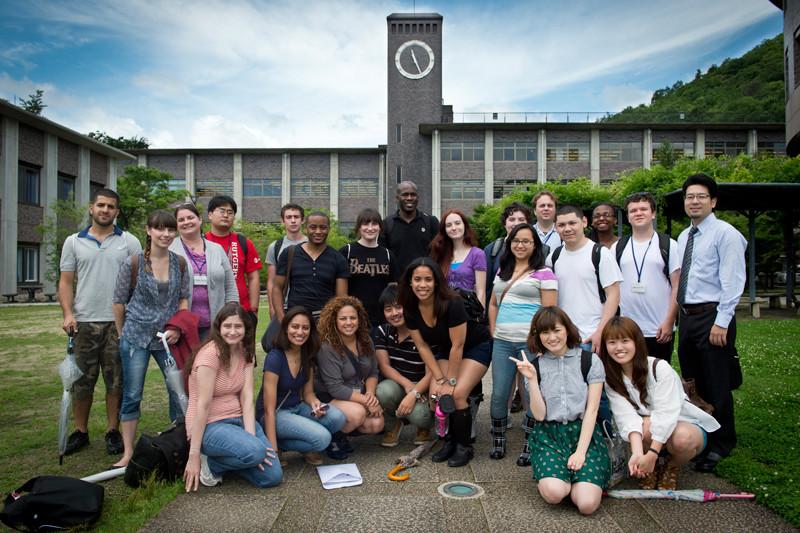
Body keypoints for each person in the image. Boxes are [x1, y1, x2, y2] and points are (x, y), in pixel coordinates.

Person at [58, 188, 142, 456]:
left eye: (111, 207)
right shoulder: (73, 242)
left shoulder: (129, 241)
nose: (105, 210)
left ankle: (112, 430)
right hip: (84, 322)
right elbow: (66, 281)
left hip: (119, 324)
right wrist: (68, 314)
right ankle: (80, 431)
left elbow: (139, 283)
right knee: (82, 381)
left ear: (117, 212)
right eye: (101, 205)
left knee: (116, 380)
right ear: (91, 208)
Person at [676, 173, 746, 473]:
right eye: (690, 196)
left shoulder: (725, 234)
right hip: (688, 318)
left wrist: (722, 321)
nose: (694, 201)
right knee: (693, 383)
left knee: (717, 381)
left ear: (713, 201)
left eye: (701, 196)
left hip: (713, 316)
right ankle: (703, 436)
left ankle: (722, 443)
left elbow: (733, 281)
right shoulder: (684, 236)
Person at [599, 316, 720, 490]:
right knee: (645, 426)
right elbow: (625, 416)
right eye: (612, 342)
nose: (619, 348)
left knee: (682, 440)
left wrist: (653, 453)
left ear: (636, 342)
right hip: (650, 426)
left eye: (625, 341)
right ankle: (650, 467)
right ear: (605, 346)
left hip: (684, 424)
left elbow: (667, 413)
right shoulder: (611, 378)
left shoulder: (659, 368)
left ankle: (671, 466)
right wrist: (638, 454)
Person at [111, 210, 191, 468]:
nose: (166, 234)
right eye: (160, 229)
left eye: (170, 230)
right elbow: (118, 300)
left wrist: (178, 326)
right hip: (135, 336)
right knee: (133, 393)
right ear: (148, 230)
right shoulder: (133, 263)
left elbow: (183, 298)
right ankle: (127, 452)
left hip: (168, 337)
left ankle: (180, 442)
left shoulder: (179, 263)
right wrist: (123, 333)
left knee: (177, 390)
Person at [512, 306, 610, 515]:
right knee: (555, 494)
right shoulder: (535, 366)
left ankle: (580, 480)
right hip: (549, 435)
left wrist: (581, 452)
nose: (552, 337)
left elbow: (592, 410)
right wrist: (531, 379)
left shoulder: (589, 360)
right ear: (537, 336)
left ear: (567, 329)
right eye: (545, 332)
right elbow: (539, 415)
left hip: (583, 433)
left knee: (587, 505)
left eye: (557, 330)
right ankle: (563, 480)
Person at [397, 257, 492, 467]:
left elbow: (458, 346)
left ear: (437, 281)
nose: (423, 285)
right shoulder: (410, 307)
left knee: (456, 394)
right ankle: (448, 442)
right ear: (410, 282)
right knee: (435, 396)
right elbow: (422, 346)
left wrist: (450, 382)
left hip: (475, 346)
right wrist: (439, 378)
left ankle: (464, 446)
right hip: (446, 349)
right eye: (417, 279)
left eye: (428, 279)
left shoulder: (452, 302)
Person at [183, 303, 282, 490]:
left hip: (239, 420)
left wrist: (251, 437)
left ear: (246, 328)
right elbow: (202, 405)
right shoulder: (209, 356)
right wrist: (193, 454)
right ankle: (209, 463)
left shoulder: (245, 352)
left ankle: (226, 463)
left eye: (238, 326)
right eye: (227, 326)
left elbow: (246, 398)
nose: (233, 331)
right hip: (210, 426)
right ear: (219, 328)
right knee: (255, 451)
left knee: (272, 477)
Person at [487, 224, 557, 464]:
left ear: (535, 245)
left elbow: (549, 312)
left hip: (530, 344)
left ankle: (530, 442)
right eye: (517, 240)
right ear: (510, 243)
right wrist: (494, 330)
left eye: (527, 241)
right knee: (498, 394)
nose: (520, 245)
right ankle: (499, 440)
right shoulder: (502, 271)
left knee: (530, 393)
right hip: (503, 342)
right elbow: (493, 304)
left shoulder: (544, 273)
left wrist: (538, 339)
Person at [256, 307, 347, 466]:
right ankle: (280, 444)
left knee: (337, 418)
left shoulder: (307, 352)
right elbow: (269, 410)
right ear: (285, 328)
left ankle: (301, 441)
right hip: (275, 413)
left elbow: (308, 393)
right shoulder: (275, 357)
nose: (300, 332)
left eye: (305, 328)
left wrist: (314, 403)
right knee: (322, 439)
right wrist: (273, 450)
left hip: (297, 407)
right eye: (295, 326)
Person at [612, 192, 680, 362]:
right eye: (633, 210)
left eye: (644, 209)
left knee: (658, 376)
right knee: (628, 377)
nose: (638, 213)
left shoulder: (669, 245)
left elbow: (677, 286)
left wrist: (669, 321)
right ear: (628, 216)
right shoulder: (618, 247)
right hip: (627, 328)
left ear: (653, 213)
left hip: (659, 328)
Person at [315, 296, 385, 458]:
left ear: (359, 319)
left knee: (376, 424)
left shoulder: (365, 340)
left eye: (352, 318)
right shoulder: (327, 346)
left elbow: (373, 372)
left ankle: (345, 430)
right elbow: (335, 388)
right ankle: (333, 437)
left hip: (356, 394)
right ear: (334, 320)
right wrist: (367, 402)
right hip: (329, 396)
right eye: (343, 318)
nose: (349, 322)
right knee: (358, 413)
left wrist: (370, 394)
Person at [547, 205, 622, 353]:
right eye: (561, 225)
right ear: (555, 228)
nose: (567, 229)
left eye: (572, 223)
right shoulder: (553, 257)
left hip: (591, 338)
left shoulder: (600, 253)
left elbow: (614, 295)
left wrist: (600, 332)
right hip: (563, 338)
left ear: (584, 222)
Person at [374, 284, 433, 448]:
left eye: (398, 307)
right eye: (388, 309)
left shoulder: (424, 331)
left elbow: (432, 373)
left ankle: (423, 428)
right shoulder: (382, 331)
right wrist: (407, 385)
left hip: (423, 387)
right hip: (399, 385)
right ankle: (393, 424)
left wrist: (413, 393)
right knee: (382, 391)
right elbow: (384, 366)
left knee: (421, 416)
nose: (394, 313)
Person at [171, 203, 238, 340]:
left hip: (215, 324)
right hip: (182, 326)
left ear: (200, 219)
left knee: (213, 361)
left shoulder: (217, 249)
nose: (187, 222)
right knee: (187, 362)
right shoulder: (170, 249)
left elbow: (230, 286)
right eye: (181, 220)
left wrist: (232, 316)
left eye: (190, 217)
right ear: (176, 224)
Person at [270, 211, 349, 324]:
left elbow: (341, 299)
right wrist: (282, 318)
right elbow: (277, 288)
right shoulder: (289, 254)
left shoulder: (338, 259)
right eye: (313, 227)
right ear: (305, 228)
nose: (318, 231)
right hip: (295, 320)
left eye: (323, 227)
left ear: (329, 229)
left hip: (324, 322)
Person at [204, 195, 262, 326]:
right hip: (209, 312)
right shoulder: (201, 242)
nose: (226, 215)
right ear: (210, 215)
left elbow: (253, 277)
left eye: (230, 212)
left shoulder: (243, 242)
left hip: (242, 312)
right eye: (222, 211)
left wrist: (253, 309)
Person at [340, 208, 398, 329]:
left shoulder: (388, 255)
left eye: (374, 224)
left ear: (380, 227)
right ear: (359, 227)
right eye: (366, 224)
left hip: (381, 318)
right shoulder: (347, 251)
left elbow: (393, 289)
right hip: (354, 317)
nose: (370, 228)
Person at [429, 208, 487, 308]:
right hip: (444, 311)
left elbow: (480, 291)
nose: (454, 228)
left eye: (457, 223)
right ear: (444, 230)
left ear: (464, 225)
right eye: (449, 225)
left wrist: (479, 315)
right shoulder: (440, 254)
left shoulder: (477, 254)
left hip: (468, 312)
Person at [380, 180, 439, 275]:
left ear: (418, 198)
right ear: (397, 198)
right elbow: (383, 257)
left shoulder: (431, 222)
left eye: (413, 195)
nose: (409, 198)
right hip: (398, 284)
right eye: (405, 195)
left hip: (424, 282)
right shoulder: (386, 224)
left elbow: (439, 252)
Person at [482, 201, 532, 304]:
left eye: (521, 219)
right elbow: (486, 288)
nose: (516, 223)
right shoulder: (492, 250)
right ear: (504, 223)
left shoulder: (540, 249)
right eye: (512, 219)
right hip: (498, 311)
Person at [266, 203, 306, 320]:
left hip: (308, 304)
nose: (293, 221)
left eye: (296, 217)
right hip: (283, 306)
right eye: (289, 217)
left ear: (302, 220)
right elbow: (271, 281)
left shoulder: (312, 244)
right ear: (282, 221)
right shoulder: (275, 247)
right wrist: (272, 308)